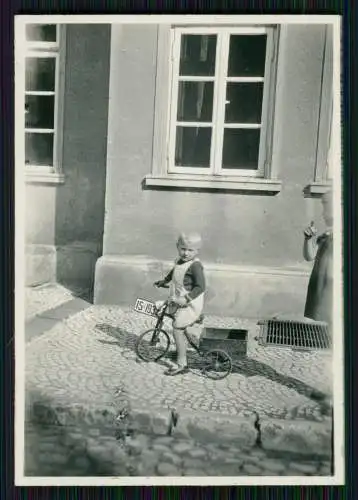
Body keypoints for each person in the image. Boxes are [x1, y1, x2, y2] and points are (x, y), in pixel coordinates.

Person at [154, 232, 206, 376]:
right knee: (168, 310)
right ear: (177, 247)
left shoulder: (196, 266)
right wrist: (164, 281)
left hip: (190, 303)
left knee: (176, 328)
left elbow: (201, 287)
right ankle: (187, 330)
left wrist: (187, 299)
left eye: (190, 250)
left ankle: (182, 363)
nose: (186, 253)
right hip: (179, 299)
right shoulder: (179, 261)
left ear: (197, 251)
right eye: (183, 249)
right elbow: (174, 273)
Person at [303, 190, 334, 333]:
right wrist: (308, 239)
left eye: (326, 206)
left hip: (331, 288)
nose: (323, 213)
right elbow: (309, 256)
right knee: (318, 325)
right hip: (319, 286)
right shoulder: (326, 235)